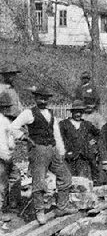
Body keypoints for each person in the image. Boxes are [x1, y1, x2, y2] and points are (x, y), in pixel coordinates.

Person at [11, 84, 75, 223]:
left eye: (46, 99)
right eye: (40, 98)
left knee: (65, 177)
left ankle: (61, 208)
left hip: (52, 149)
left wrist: (61, 150)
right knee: (39, 182)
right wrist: (24, 137)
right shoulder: (29, 113)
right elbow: (13, 127)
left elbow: (56, 133)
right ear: (35, 98)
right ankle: (40, 212)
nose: (43, 101)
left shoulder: (50, 113)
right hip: (38, 150)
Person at [59, 101, 100, 180]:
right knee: (70, 179)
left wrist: (93, 141)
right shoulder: (64, 124)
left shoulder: (87, 124)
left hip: (83, 157)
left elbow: (99, 134)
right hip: (68, 157)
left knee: (82, 181)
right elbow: (59, 138)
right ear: (71, 112)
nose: (78, 114)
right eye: (76, 112)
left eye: (80, 112)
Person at [0, 95, 16, 219]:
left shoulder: (5, 120)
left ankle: (12, 203)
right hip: (3, 156)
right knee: (2, 184)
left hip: (5, 155)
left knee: (15, 176)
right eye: (5, 107)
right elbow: (8, 143)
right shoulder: (3, 121)